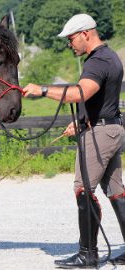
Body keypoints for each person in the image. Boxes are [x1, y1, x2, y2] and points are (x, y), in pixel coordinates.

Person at [23, 13, 125, 268]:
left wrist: (42, 90)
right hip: (110, 128)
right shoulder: (109, 56)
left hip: (100, 135)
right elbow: (102, 102)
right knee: (116, 192)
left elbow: (81, 93)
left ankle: (87, 254)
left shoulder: (96, 62)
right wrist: (82, 121)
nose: (70, 44)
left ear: (85, 34)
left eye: (71, 39)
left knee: (83, 190)